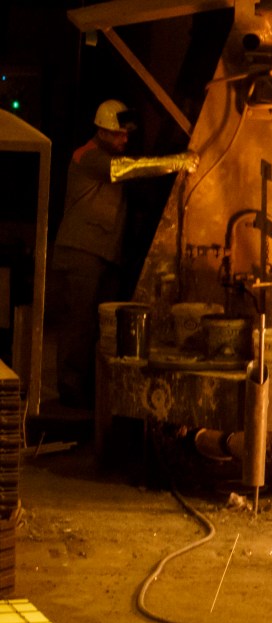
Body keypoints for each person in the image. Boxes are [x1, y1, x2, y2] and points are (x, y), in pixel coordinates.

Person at [51, 99, 198, 407]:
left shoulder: (105, 158)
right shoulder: (88, 156)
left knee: (95, 325)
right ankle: (69, 390)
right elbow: (127, 168)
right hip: (81, 252)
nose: (125, 139)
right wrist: (177, 161)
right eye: (120, 134)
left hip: (100, 254)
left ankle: (86, 390)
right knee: (79, 323)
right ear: (103, 131)